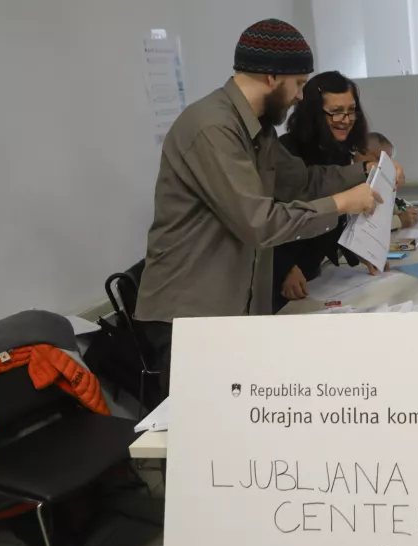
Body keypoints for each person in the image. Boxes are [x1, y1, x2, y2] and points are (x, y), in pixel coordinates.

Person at [134, 20, 383, 396]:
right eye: (299, 84)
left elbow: (301, 183)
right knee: (208, 439)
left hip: (231, 313)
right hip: (191, 317)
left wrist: (365, 172)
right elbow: (259, 223)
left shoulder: (259, 130)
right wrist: (342, 203)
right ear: (271, 77)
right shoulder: (213, 129)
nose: (301, 96)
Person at [275, 73, 412, 305]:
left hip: (315, 273)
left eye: (351, 110)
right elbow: (273, 216)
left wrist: (361, 249)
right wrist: (285, 267)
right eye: (336, 111)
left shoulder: (339, 152)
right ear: (314, 114)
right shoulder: (286, 151)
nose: (346, 119)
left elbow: (335, 214)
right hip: (285, 274)